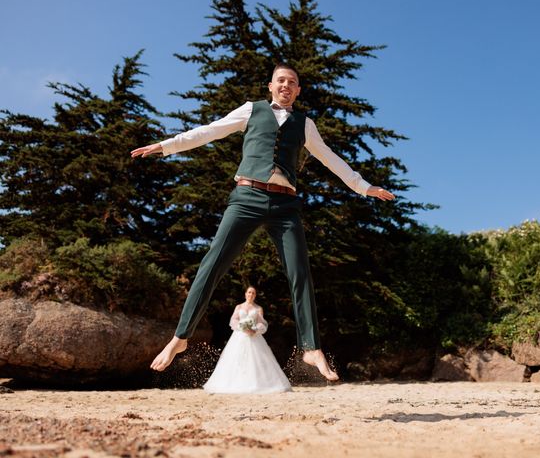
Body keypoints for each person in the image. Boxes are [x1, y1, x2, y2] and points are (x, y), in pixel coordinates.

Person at [131, 63, 395, 381]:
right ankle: (180, 338)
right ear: (270, 86)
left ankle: (311, 349)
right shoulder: (251, 110)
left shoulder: (304, 124)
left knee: (300, 273)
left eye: (292, 82)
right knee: (212, 264)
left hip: (285, 205)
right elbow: (209, 131)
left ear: (298, 91)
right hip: (247, 198)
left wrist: (365, 187)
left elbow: (331, 159)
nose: (286, 85)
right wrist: (167, 146)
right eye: (280, 80)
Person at [203, 285, 291, 394]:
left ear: (255, 295)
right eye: (249, 292)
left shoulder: (258, 308)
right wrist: (242, 327)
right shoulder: (239, 307)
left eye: (253, 293)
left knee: (257, 360)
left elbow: (261, 323)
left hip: (254, 336)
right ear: (245, 294)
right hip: (239, 336)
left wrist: (254, 330)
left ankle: (260, 384)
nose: (251, 294)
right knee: (236, 358)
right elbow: (233, 321)